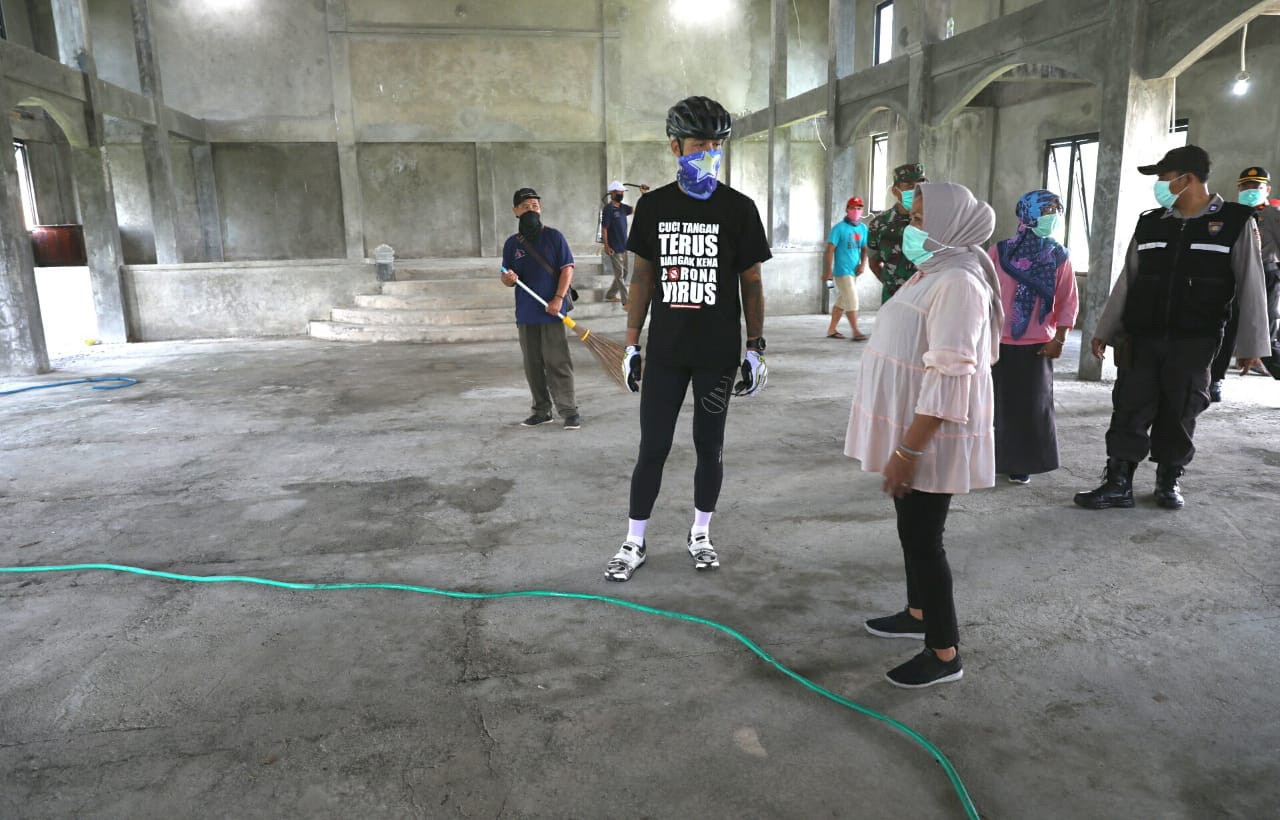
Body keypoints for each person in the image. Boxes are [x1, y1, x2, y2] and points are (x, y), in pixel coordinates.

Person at [603, 95, 771, 582]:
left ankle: (701, 532)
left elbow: (752, 282)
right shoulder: (653, 207)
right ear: (676, 146)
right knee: (652, 446)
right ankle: (634, 540)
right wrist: (632, 343)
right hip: (667, 354)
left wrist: (755, 346)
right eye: (700, 144)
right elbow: (641, 280)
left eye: (717, 144)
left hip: (717, 354)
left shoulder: (739, 209)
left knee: (709, 446)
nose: (709, 153)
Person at [846, 181, 1001, 689]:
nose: (911, 227)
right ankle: (917, 614)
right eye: (911, 216)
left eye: (919, 217)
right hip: (912, 429)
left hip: (929, 436)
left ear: (948, 225)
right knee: (911, 531)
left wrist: (909, 448)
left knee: (923, 538)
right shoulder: (934, 270)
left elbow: (950, 371)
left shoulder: (959, 282)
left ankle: (943, 649)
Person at [1074, 146, 1268, 511]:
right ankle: (1118, 482)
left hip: (1195, 339)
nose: (1161, 187)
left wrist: (1251, 344)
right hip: (1142, 335)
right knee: (1130, 406)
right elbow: (1127, 280)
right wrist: (1104, 329)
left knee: (1180, 410)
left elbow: (1251, 286)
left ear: (1187, 179)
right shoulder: (1151, 222)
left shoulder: (1236, 222)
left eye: (1164, 179)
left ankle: (1168, 480)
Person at [988, 190, 1078, 485]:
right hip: (997, 341)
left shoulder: (1057, 256)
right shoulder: (998, 252)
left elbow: (1067, 301)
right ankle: (990, 459)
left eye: (1056, 211)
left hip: (1037, 344)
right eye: (1048, 211)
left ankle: (1022, 464)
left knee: (1031, 406)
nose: (1053, 217)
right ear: (1028, 214)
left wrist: (1060, 338)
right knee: (995, 403)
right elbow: (982, 294)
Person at [499, 187, 581, 430]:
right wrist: (509, 278)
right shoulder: (512, 244)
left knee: (558, 362)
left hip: (552, 311)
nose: (531, 209)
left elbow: (568, 269)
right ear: (515, 211)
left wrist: (558, 298)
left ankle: (569, 410)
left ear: (541, 209)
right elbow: (505, 276)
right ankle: (541, 410)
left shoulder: (554, 237)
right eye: (525, 207)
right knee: (533, 365)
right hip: (526, 313)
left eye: (535, 205)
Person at [1236, 167, 1280, 379]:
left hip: (1267, 274)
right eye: (1246, 186)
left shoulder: (1274, 215)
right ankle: (1215, 381)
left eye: (1257, 186)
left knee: (1267, 328)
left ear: (1267, 190)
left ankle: (1272, 366)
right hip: (1237, 275)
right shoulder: (1231, 214)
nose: (1250, 190)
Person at [866, 163, 928, 304]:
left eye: (921, 185)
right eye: (910, 186)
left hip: (927, 299)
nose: (918, 190)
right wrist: (892, 284)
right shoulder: (880, 224)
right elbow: (874, 263)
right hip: (893, 299)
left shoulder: (938, 221)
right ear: (895, 191)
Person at [824, 196, 870, 340]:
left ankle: (831, 330)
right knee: (852, 299)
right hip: (842, 271)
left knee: (842, 301)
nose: (856, 211)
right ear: (847, 209)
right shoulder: (839, 229)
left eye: (858, 208)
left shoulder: (863, 228)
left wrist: (863, 264)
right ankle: (856, 331)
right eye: (852, 208)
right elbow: (830, 250)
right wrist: (828, 271)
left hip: (854, 271)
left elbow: (864, 248)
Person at [601, 180, 649, 305]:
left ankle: (610, 295)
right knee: (620, 275)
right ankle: (626, 300)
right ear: (613, 193)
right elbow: (604, 228)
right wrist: (606, 246)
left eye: (622, 192)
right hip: (614, 247)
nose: (622, 194)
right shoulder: (608, 209)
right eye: (620, 192)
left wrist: (644, 195)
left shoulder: (623, 208)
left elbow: (638, 210)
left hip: (624, 246)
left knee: (625, 272)